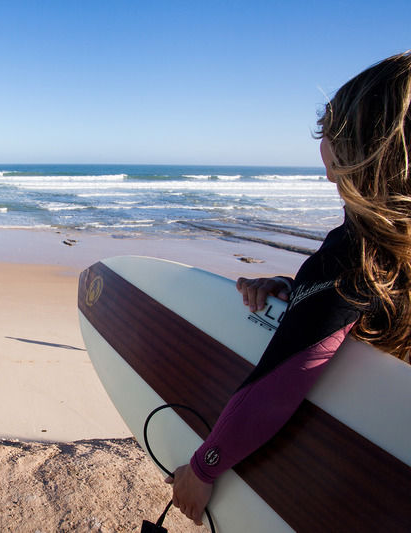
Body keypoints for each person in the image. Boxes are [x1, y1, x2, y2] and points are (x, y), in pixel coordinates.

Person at [166, 50, 411, 525]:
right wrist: (293, 290)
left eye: (337, 165)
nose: (327, 177)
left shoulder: (356, 255)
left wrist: (203, 468)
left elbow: (278, 384)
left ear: (372, 159)